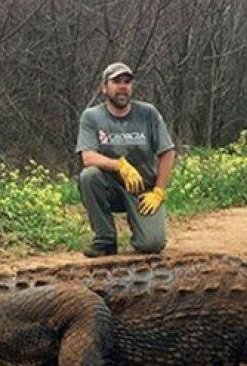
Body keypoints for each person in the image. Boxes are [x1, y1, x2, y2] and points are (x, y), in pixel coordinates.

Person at [75, 62, 176, 257]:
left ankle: (141, 230)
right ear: (104, 87)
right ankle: (105, 239)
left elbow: (168, 152)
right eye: (116, 81)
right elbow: (87, 157)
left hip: (143, 190)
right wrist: (120, 165)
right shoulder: (92, 116)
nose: (123, 86)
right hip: (111, 187)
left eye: (127, 82)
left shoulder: (148, 113)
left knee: (152, 245)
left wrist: (159, 190)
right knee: (89, 176)